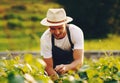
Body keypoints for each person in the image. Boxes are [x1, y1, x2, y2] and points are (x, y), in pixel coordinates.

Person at [40, 8, 84, 80]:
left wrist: (67, 68)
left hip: (73, 68)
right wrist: (58, 80)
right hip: (53, 71)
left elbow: (79, 61)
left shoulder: (75, 32)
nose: (57, 32)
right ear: (48, 27)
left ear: (65, 24)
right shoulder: (45, 38)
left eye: (60, 28)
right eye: (53, 29)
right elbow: (48, 67)